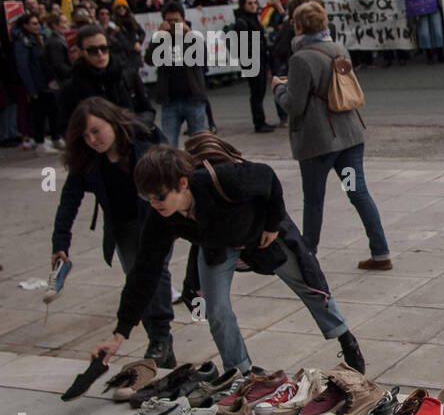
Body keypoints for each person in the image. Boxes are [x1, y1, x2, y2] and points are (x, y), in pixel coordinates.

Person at [91, 142, 367, 377]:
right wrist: (120, 333)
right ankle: (241, 372)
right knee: (216, 311)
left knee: (309, 285)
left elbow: (268, 178)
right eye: (146, 197)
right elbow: (144, 273)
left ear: (182, 183)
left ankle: (345, 336)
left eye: (160, 196)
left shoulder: (224, 179)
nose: (154, 203)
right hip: (217, 247)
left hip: (261, 234)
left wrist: (272, 224)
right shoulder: (160, 217)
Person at [52, 98, 177, 366]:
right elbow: (69, 200)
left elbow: (174, 170)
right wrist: (60, 243)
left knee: (155, 273)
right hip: (123, 227)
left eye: (96, 130)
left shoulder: (143, 140)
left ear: (112, 121)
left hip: (155, 219)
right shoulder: (86, 160)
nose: (92, 140)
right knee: (136, 279)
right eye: (85, 135)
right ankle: (161, 347)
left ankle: (160, 339)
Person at [271, 0, 392, 269]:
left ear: (299, 27)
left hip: (319, 141)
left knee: (314, 199)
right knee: (358, 192)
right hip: (349, 135)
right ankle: (381, 251)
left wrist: (278, 88)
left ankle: (308, 256)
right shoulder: (339, 48)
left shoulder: (301, 58)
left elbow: (294, 105)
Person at [144, 2, 209, 146]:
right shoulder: (161, 39)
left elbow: (203, 57)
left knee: (199, 145)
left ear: (183, 20)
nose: (173, 24)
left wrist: (188, 33)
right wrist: (158, 36)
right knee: (168, 144)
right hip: (170, 101)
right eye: (169, 21)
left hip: (193, 99)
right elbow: (149, 59)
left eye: (176, 20)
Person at [63, 23, 153, 122]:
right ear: (81, 52)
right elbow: (68, 126)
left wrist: (136, 127)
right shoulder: (72, 87)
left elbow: (147, 110)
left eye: (103, 48)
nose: (100, 54)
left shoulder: (128, 74)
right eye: (92, 50)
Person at [11, 12, 60, 152]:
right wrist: (31, 89)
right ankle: (39, 141)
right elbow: (23, 67)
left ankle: (54, 137)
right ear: (25, 25)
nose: (37, 26)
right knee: (39, 112)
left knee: (52, 109)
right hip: (36, 83)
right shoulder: (22, 42)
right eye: (33, 23)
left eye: (38, 23)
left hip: (47, 82)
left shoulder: (39, 37)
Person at [234, 0, 276, 133]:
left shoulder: (253, 19)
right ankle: (259, 122)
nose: (253, 6)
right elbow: (243, 44)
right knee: (257, 92)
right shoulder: (242, 21)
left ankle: (261, 120)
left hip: (260, 59)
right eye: (249, 3)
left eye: (254, 3)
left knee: (260, 91)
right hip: (253, 61)